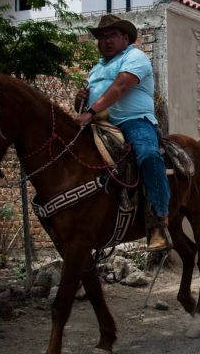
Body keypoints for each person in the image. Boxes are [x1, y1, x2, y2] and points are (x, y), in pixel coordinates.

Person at [73, 14, 172, 251]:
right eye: (102, 37)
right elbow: (90, 104)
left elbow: (120, 86)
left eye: (112, 36)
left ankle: (158, 221)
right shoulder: (96, 68)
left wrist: (90, 111)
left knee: (148, 155)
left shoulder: (134, 56)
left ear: (125, 38)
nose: (105, 41)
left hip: (133, 121)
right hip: (100, 123)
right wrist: (81, 103)